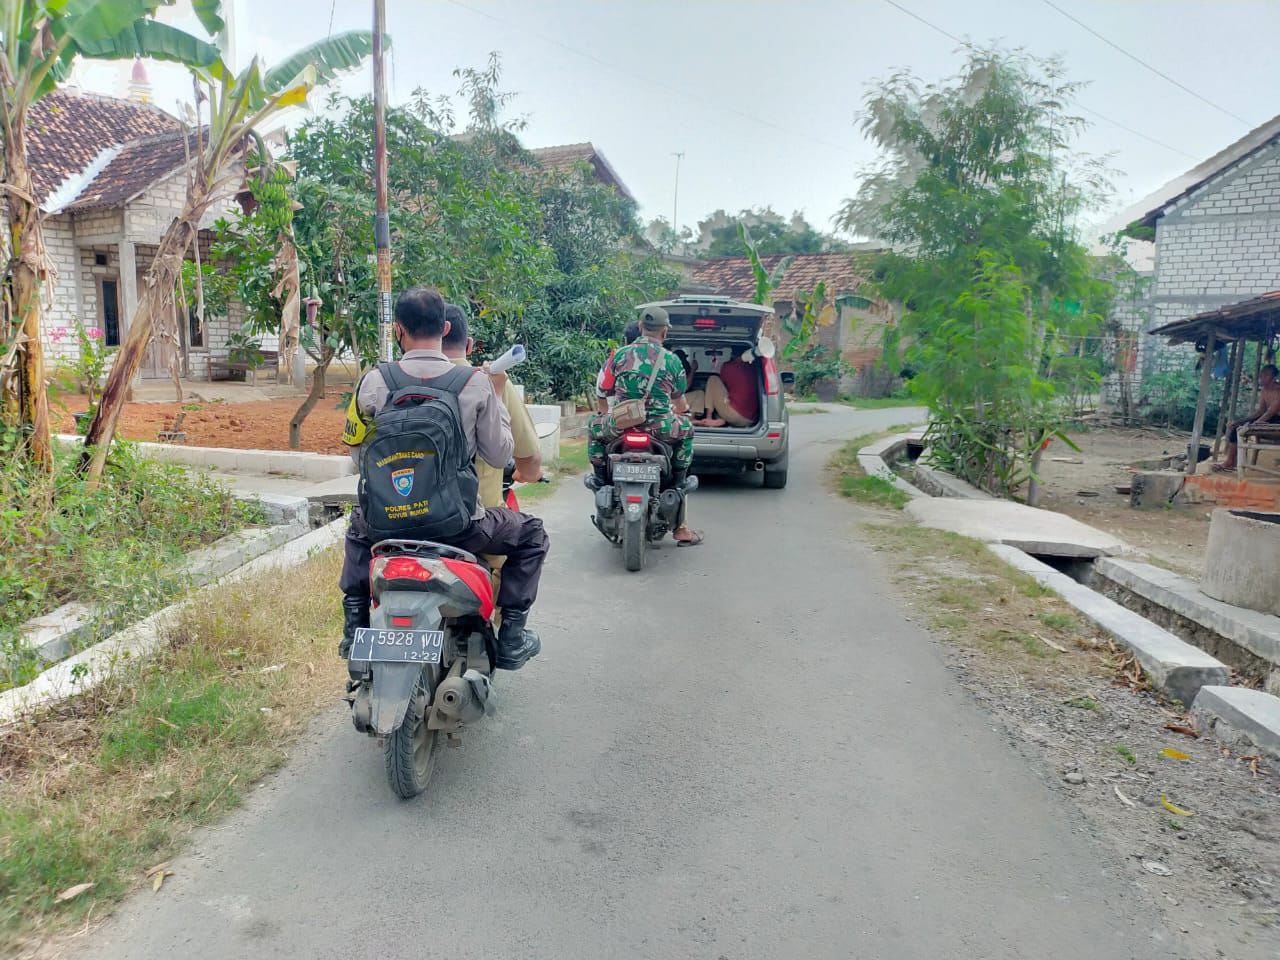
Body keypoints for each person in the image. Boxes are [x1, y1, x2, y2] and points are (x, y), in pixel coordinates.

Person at [338, 286, 549, 670]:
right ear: (446, 327)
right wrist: (496, 397)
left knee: (356, 528)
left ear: (398, 329)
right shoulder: (474, 383)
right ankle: (511, 638)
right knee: (532, 534)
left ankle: (353, 627)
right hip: (459, 527)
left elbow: (358, 456)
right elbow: (500, 455)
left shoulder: (373, 381)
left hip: (386, 525)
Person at [588, 305, 703, 546]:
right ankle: (679, 483)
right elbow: (679, 401)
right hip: (661, 428)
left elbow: (604, 391)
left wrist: (606, 415)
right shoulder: (672, 361)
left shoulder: (618, 355)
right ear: (665, 332)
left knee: (594, 428)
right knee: (687, 430)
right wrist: (684, 413)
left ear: (640, 327)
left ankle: (599, 479)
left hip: (622, 425)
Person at [442, 303, 542, 505]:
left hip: (405, 516)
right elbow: (529, 459)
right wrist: (528, 473)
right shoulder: (493, 382)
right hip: (480, 515)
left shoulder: (389, 384)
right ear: (469, 345)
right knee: (529, 525)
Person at [1215, 363, 1280, 472]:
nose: (1261, 377)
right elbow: (1261, 411)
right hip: (1268, 419)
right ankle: (1230, 462)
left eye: (1265, 375)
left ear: (1274, 378)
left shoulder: (1278, 390)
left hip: (1277, 422)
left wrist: (1252, 425)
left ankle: (1232, 462)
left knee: (1245, 427)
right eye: (1261, 374)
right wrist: (1240, 421)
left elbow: (1271, 412)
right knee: (1235, 427)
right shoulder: (1264, 390)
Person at [686, 349, 759, 428]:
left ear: (732, 354)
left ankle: (709, 418)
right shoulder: (755, 368)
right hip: (752, 420)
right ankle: (718, 420)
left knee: (713, 379)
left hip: (733, 415)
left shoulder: (728, 366)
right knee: (722, 399)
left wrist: (692, 369)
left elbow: (724, 385)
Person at [594, 320, 641, 413]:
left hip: (617, 416)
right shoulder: (659, 362)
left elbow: (601, 397)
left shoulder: (613, 360)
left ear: (625, 340)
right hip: (650, 418)